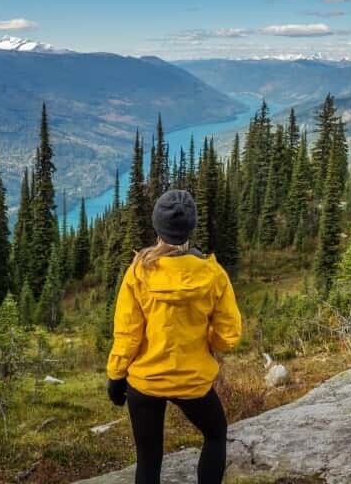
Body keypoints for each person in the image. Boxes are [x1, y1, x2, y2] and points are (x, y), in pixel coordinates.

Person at [106, 189, 242, 484]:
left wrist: (115, 376)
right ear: (191, 228)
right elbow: (228, 336)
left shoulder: (139, 270)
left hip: (145, 381)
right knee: (216, 435)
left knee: (148, 459)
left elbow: (127, 333)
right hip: (192, 381)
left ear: (158, 227)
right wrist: (208, 342)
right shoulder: (213, 274)